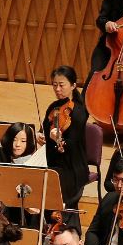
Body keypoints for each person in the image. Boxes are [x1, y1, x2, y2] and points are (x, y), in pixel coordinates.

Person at [41, 65, 90, 210]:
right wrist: (41, 135)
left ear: (73, 85)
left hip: (72, 167)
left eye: (61, 85)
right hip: (53, 162)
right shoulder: (53, 107)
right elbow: (45, 128)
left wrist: (58, 140)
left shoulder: (79, 111)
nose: (57, 89)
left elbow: (72, 143)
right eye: (54, 85)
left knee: (54, 199)